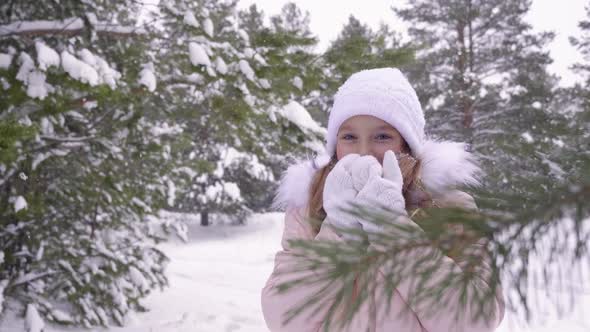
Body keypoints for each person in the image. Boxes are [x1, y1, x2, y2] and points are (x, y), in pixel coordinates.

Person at [261, 68, 505, 332]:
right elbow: (283, 318)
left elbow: (475, 321)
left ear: (406, 144)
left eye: (382, 137)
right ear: (335, 146)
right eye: (350, 137)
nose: (364, 151)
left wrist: (393, 231)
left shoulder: (449, 208)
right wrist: (339, 231)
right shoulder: (308, 210)